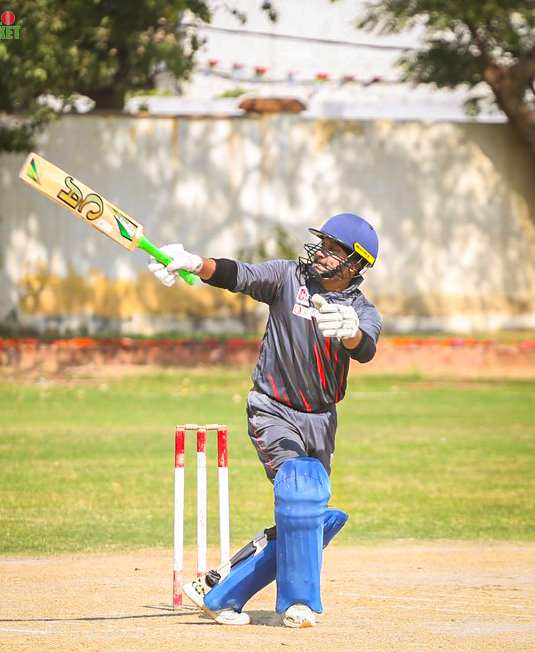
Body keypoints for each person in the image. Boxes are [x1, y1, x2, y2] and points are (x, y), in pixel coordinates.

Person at [148, 213, 382, 628]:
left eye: (333, 250)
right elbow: (238, 275)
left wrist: (349, 331)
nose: (321, 253)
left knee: (308, 516)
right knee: (300, 492)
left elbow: (365, 348)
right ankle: (299, 603)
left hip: (321, 420)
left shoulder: (362, 310)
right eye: (322, 244)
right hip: (272, 408)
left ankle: (220, 591)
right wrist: (194, 263)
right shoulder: (287, 278)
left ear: (355, 263)